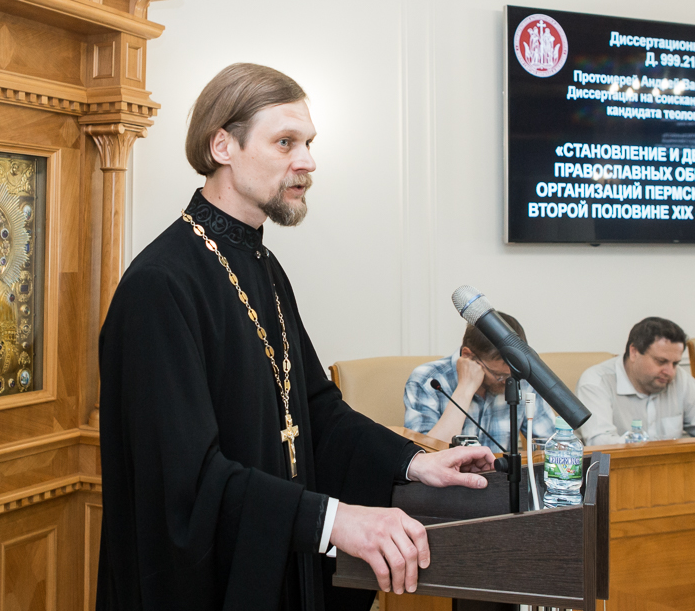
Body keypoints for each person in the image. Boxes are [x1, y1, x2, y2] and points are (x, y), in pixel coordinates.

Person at [97, 64, 494, 611]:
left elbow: (315, 413)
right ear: (222, 146)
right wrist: (335, 520)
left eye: (307, 143)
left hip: (277, 564)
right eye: (285, 142)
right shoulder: (159, 286)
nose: (306, 161)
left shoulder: (263, 265)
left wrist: (412, 461)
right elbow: (184, 480)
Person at [575, 317, 695, 445]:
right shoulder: (596, 383)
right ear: (634, 352)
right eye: (661, 362)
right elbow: (600, 443)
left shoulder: (679, 380)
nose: (670, 371)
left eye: (675, 363)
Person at [403, 313, 555, 451]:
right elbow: (425, 456)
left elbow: (552, 445)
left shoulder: (519, 377)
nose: (507, 382)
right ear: (468, 356)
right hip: (448, 480)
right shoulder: (426, 380)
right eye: (499, 376)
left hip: (500, 479)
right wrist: (465, 389)